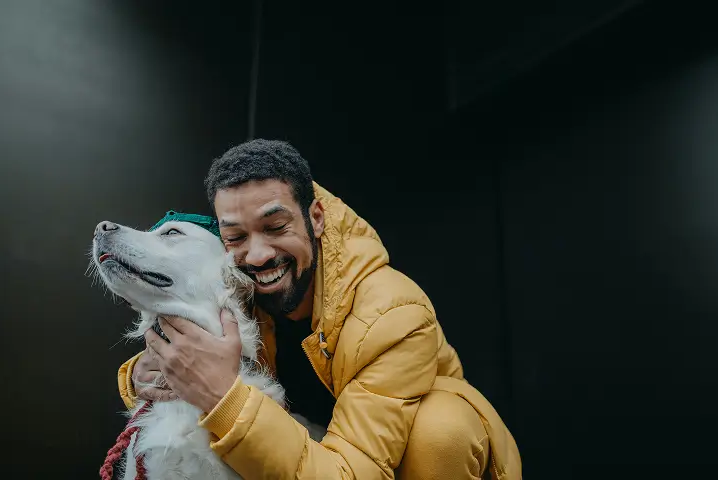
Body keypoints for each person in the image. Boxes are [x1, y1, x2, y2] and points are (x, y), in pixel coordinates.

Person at [117, 139, 522, 479]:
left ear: (316, 218)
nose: (257, 256)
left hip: (389, 464)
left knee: (441, 430)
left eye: (276, 228)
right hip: (306, 452)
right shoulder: (238, 284)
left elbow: (353, 472)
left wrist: (223, 395)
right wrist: (144, 374)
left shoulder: (393, 314)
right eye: (236, 237)